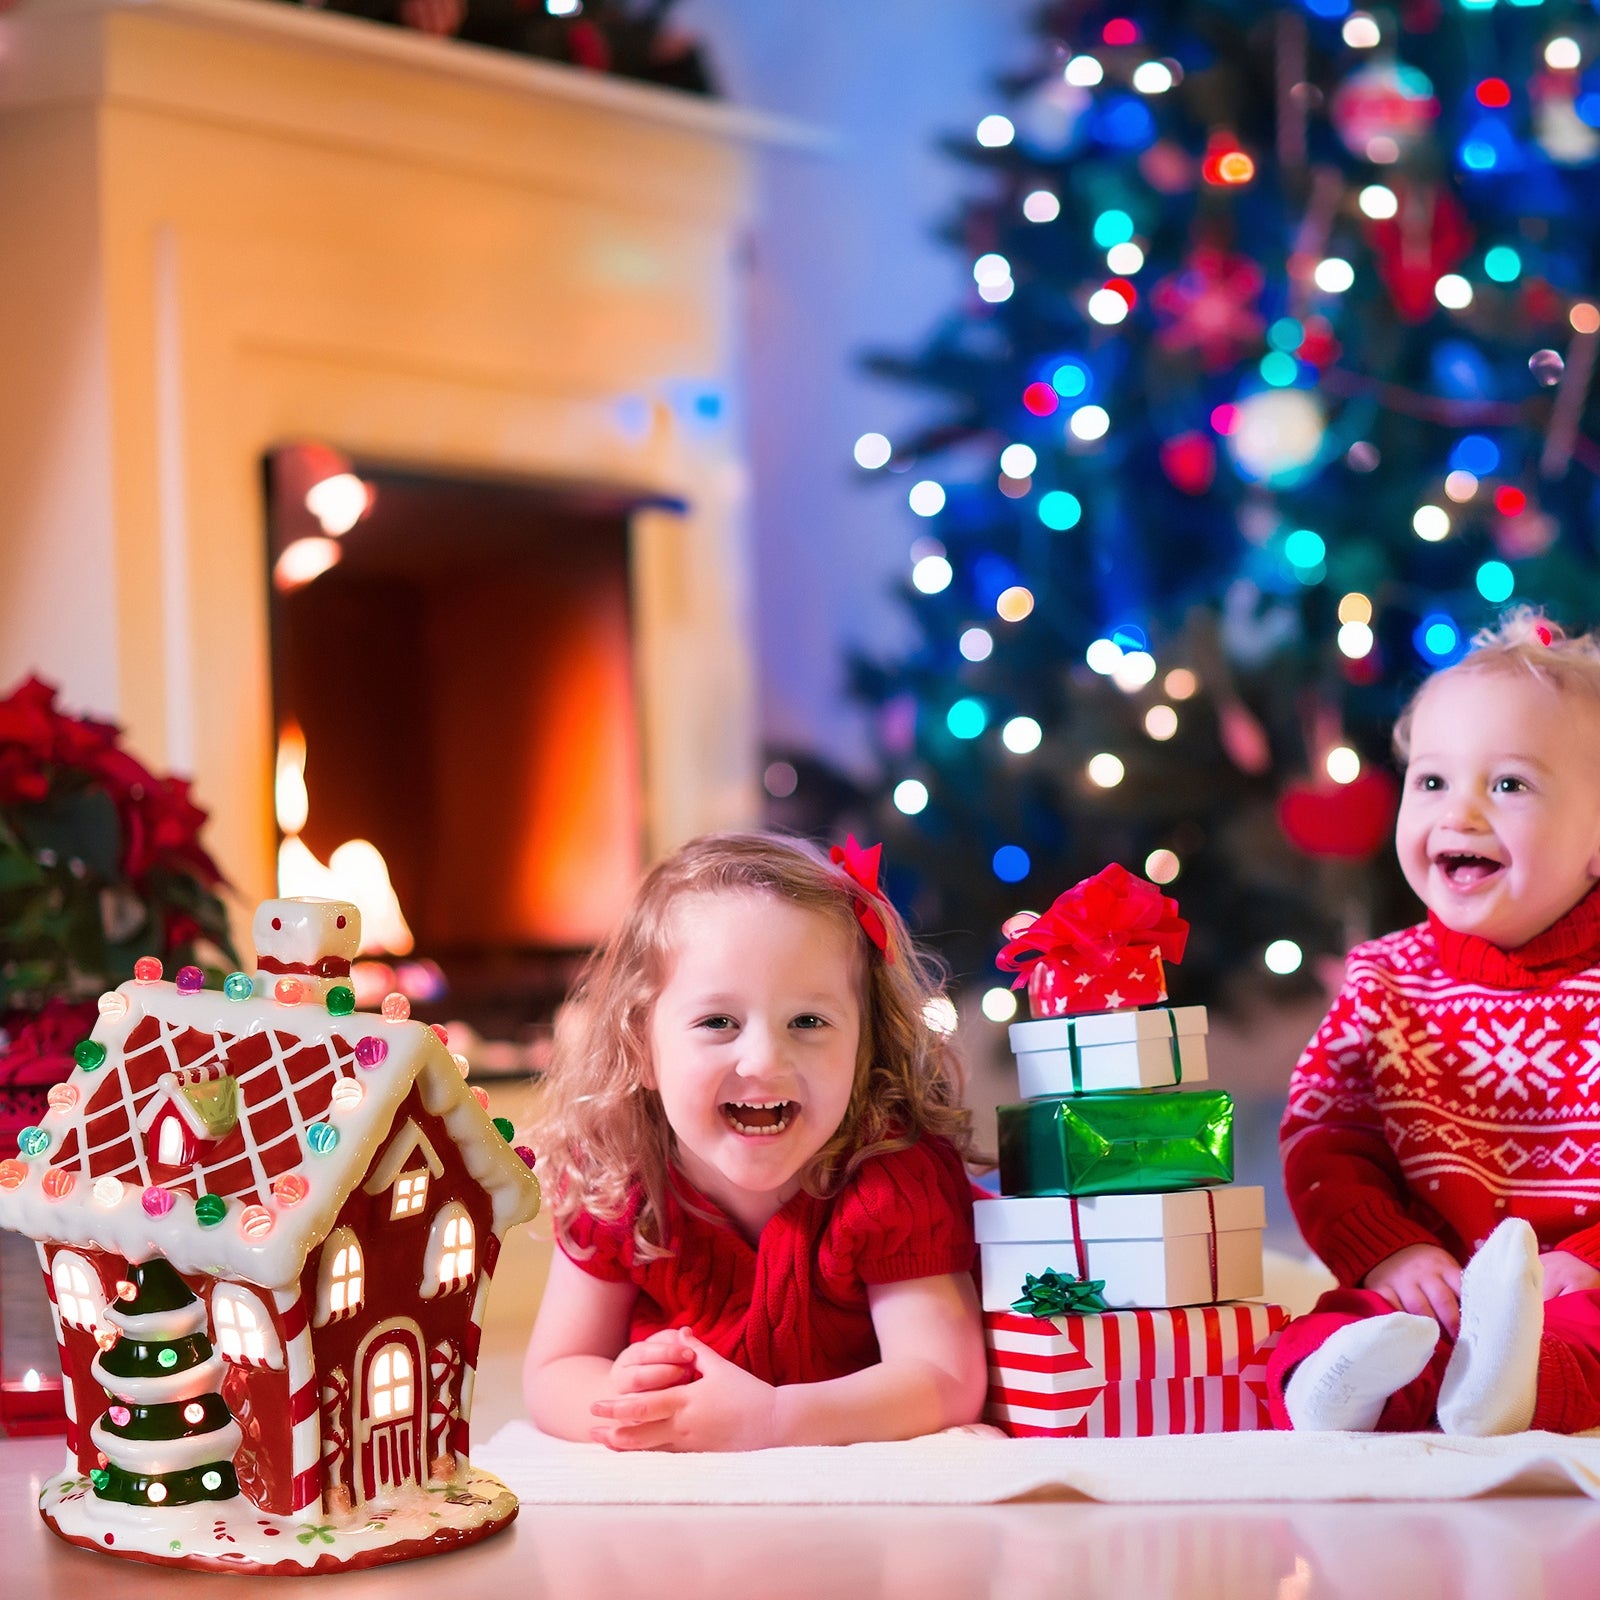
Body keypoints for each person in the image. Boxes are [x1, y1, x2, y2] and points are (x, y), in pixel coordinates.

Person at [521, 831, 987, 1451]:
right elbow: (555, 1370)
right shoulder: (619, 1177)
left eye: (808, 1021)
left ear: (864, 1045)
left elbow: (944, 1379)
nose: (765, 1060)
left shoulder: (890, 1176)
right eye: (718, 1021)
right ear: (642, 1048)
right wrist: (622, 1402)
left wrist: (773, 1419)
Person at [1269, 610, 1600, 1436]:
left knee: (1589, 1337)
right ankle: (1347, 1388)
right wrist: (1390, 1249)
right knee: (1341, 1326)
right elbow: (1326, 1137)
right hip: (1433, 1276)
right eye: (1432, 782)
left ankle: (1521, 1386)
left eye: (1509, 785)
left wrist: (1587, 1261)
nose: (1460, 814)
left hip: (1573, 1282)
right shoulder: (1384, 981)